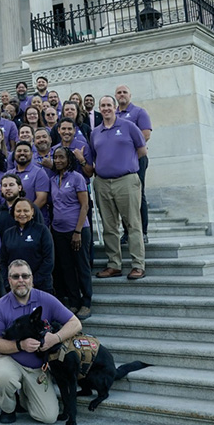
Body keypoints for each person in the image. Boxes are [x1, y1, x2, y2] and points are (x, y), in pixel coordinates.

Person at [0, 260, 82, 424]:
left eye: (25, 276)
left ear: (32, 278)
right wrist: (19, 345)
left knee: (49, 417)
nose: (21, 280)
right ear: (9, 280)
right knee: (3, 378)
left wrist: (55, 338)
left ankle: (25, 395)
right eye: (15, 277)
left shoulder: (46, 299)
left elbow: (76, 323)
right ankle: (8, 408)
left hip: (37, 368)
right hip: (10, 359)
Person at [91, 95, 147, 280]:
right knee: (109, 226)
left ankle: (138, 264)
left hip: (126, 181)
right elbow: (94, 156)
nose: (106, 108)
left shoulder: (128, 126)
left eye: (109, 105)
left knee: (132, 223)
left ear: (115, 107)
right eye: (103, 105)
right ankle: (114, 264)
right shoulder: (95, 132)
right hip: (102, 183)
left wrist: (126, 166)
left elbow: (142, 151)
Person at [50, 147, 92, 319]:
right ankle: (74, 301)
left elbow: (84, 206)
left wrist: (78, 231)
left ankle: (86, 302)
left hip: (78, 230)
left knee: (81, 266)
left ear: (68, 159)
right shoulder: (53, 179)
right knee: (66, 268)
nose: (58, 160)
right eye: (55, 157)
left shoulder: (77, 178)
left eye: (61, 157)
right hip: (59, 231)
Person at [115, 85, 153, 241]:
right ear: (115, 96)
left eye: (125, 92)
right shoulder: (113, 114)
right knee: (122, 197)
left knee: (138, 195)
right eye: (119, 92)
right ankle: (127, 231)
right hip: (118, 163)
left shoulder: (139, 112)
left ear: (130, 95)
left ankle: (142, 232)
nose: (122, 95)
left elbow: (146, 135)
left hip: (137, 160)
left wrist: (129, 154)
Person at [0, 197, 53, 294]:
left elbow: (49, 260)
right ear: (14, 213)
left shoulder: (42, 230)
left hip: (40, 287)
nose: (22, 214)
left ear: (32, 212)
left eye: (26, 210)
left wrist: (32, 281)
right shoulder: (8, 234)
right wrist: (9, 282)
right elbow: (3, 261)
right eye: (18, 211)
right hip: (15, 287)